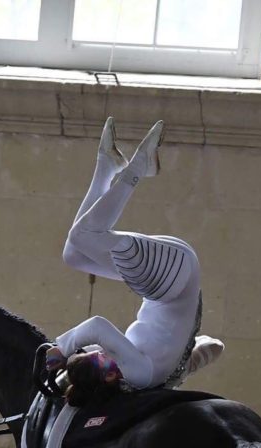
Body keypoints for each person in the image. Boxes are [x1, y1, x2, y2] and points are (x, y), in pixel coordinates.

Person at [46, 117, 223, 405]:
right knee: (84, 234)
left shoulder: (128, 369)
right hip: (171, 281)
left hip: (163, 283)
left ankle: (107, 167)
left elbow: (215, 347)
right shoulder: (139, 375)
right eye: (100, 357)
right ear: (110, 377)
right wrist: (59, 350)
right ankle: (139, 168)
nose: (101, 352)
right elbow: (97, 326)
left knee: (73, 254)